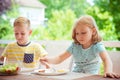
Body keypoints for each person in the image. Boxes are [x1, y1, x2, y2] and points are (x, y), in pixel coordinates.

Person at [40, 15, 120, 78]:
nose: (79, 36)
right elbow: (60, 58)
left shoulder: (97, 46)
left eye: (83, 33)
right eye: (77, 33)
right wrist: (48, 60)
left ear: (93, 31)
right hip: (75, 76)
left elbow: (106, 60)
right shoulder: (74, 46)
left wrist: (107, 71)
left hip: (90, 77)